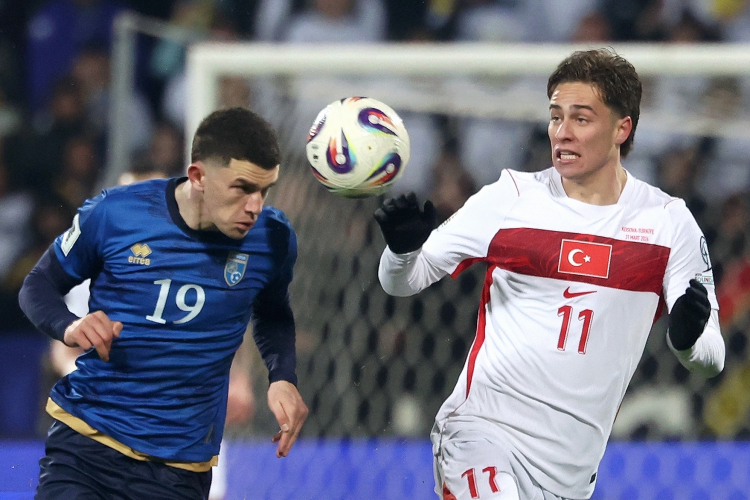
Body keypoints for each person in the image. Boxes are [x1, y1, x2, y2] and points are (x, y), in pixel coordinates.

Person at [374, 48, 725, 500]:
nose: (562, 132)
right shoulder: (511, 197)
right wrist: (402, 251)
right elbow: (402, 281)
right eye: (556, 116)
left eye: (581, 118)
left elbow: (711, 357)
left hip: (569, 475)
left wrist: (687, 339)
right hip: (482, 434)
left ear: (622, 129)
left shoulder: (668, 224)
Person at [18, 107, 308, 500]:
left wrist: (282, 376)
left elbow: (273, 313)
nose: (255, 206)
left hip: (180, 469)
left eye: (264, 190)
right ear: (198, 176)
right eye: (242, 188)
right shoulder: (115, 213)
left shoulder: (272, 239)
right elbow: (38, 285)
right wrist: (71, 326)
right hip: (88, 443)